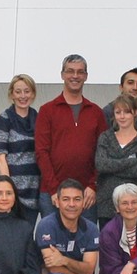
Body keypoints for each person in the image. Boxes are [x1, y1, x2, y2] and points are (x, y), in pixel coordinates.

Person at [35, 54, 107, 216]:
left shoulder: (96, 112)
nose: (75, 76)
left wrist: (93, 185)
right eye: (70, 71)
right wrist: (54, 189)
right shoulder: (47, 111)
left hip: (86, 194)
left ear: (86, 76)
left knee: (86, 234)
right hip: (53, 193)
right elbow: (41, 152)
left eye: (80, 72)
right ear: (62, 75)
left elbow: (103, 153)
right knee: (52, 234)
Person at [93, 95, 137, 224]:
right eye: (118, 112)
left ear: (135, 112)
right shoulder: (105, 137)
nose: (122, 116)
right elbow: (101, 165)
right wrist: (131, 160)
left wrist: (113, 167)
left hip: (136, 205)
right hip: (107, 204)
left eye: (126, 112)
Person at [0, 75, 40, 216]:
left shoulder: (38, 118)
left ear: (33, 94)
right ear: (11, 94)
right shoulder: (5, 119)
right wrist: (8, 190)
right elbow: (0, 157)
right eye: (18, 92)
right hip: (13, 194)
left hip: (34, 192)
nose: (23, 96)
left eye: (27, 91)